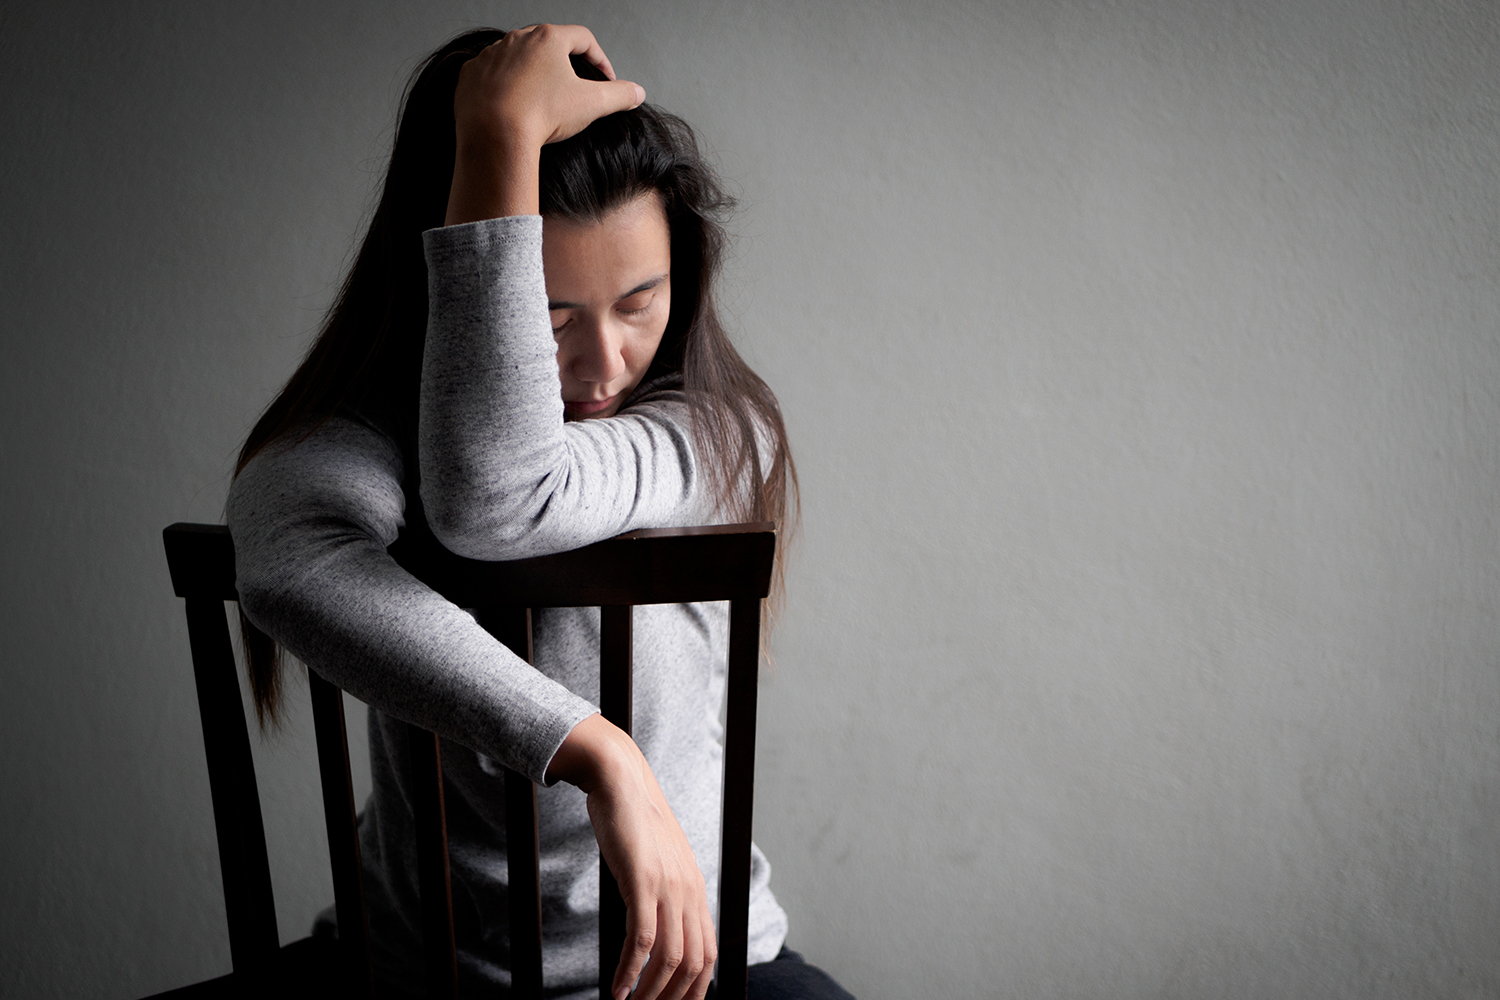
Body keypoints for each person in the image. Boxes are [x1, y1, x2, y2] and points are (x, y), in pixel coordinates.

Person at [226, 24, 853, 1000]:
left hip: (703, 972)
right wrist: (593, 748)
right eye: (550, 319)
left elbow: (497, 500)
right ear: (462, 290)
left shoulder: (718, 431)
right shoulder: (382, 433)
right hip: (420, 974)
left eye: (639, 301)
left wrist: (501, 134)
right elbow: (282, 560)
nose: (603, 365)